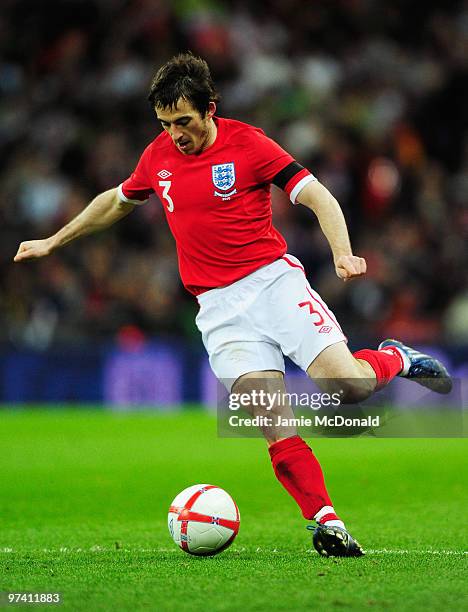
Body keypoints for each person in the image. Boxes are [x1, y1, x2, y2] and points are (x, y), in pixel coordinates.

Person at [14, 52, 452, 557]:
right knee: (272, 417)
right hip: (219, 312)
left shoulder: (250, 145)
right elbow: (115, 201)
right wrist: (53, 241)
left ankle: (395, 356)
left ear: (210, 109)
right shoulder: (157, 156)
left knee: (347, 386)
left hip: (273, 286)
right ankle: (326, 522)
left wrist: (343, 252)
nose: (175, 134)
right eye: (165, 123)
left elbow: (318, 197)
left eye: (184, 122)